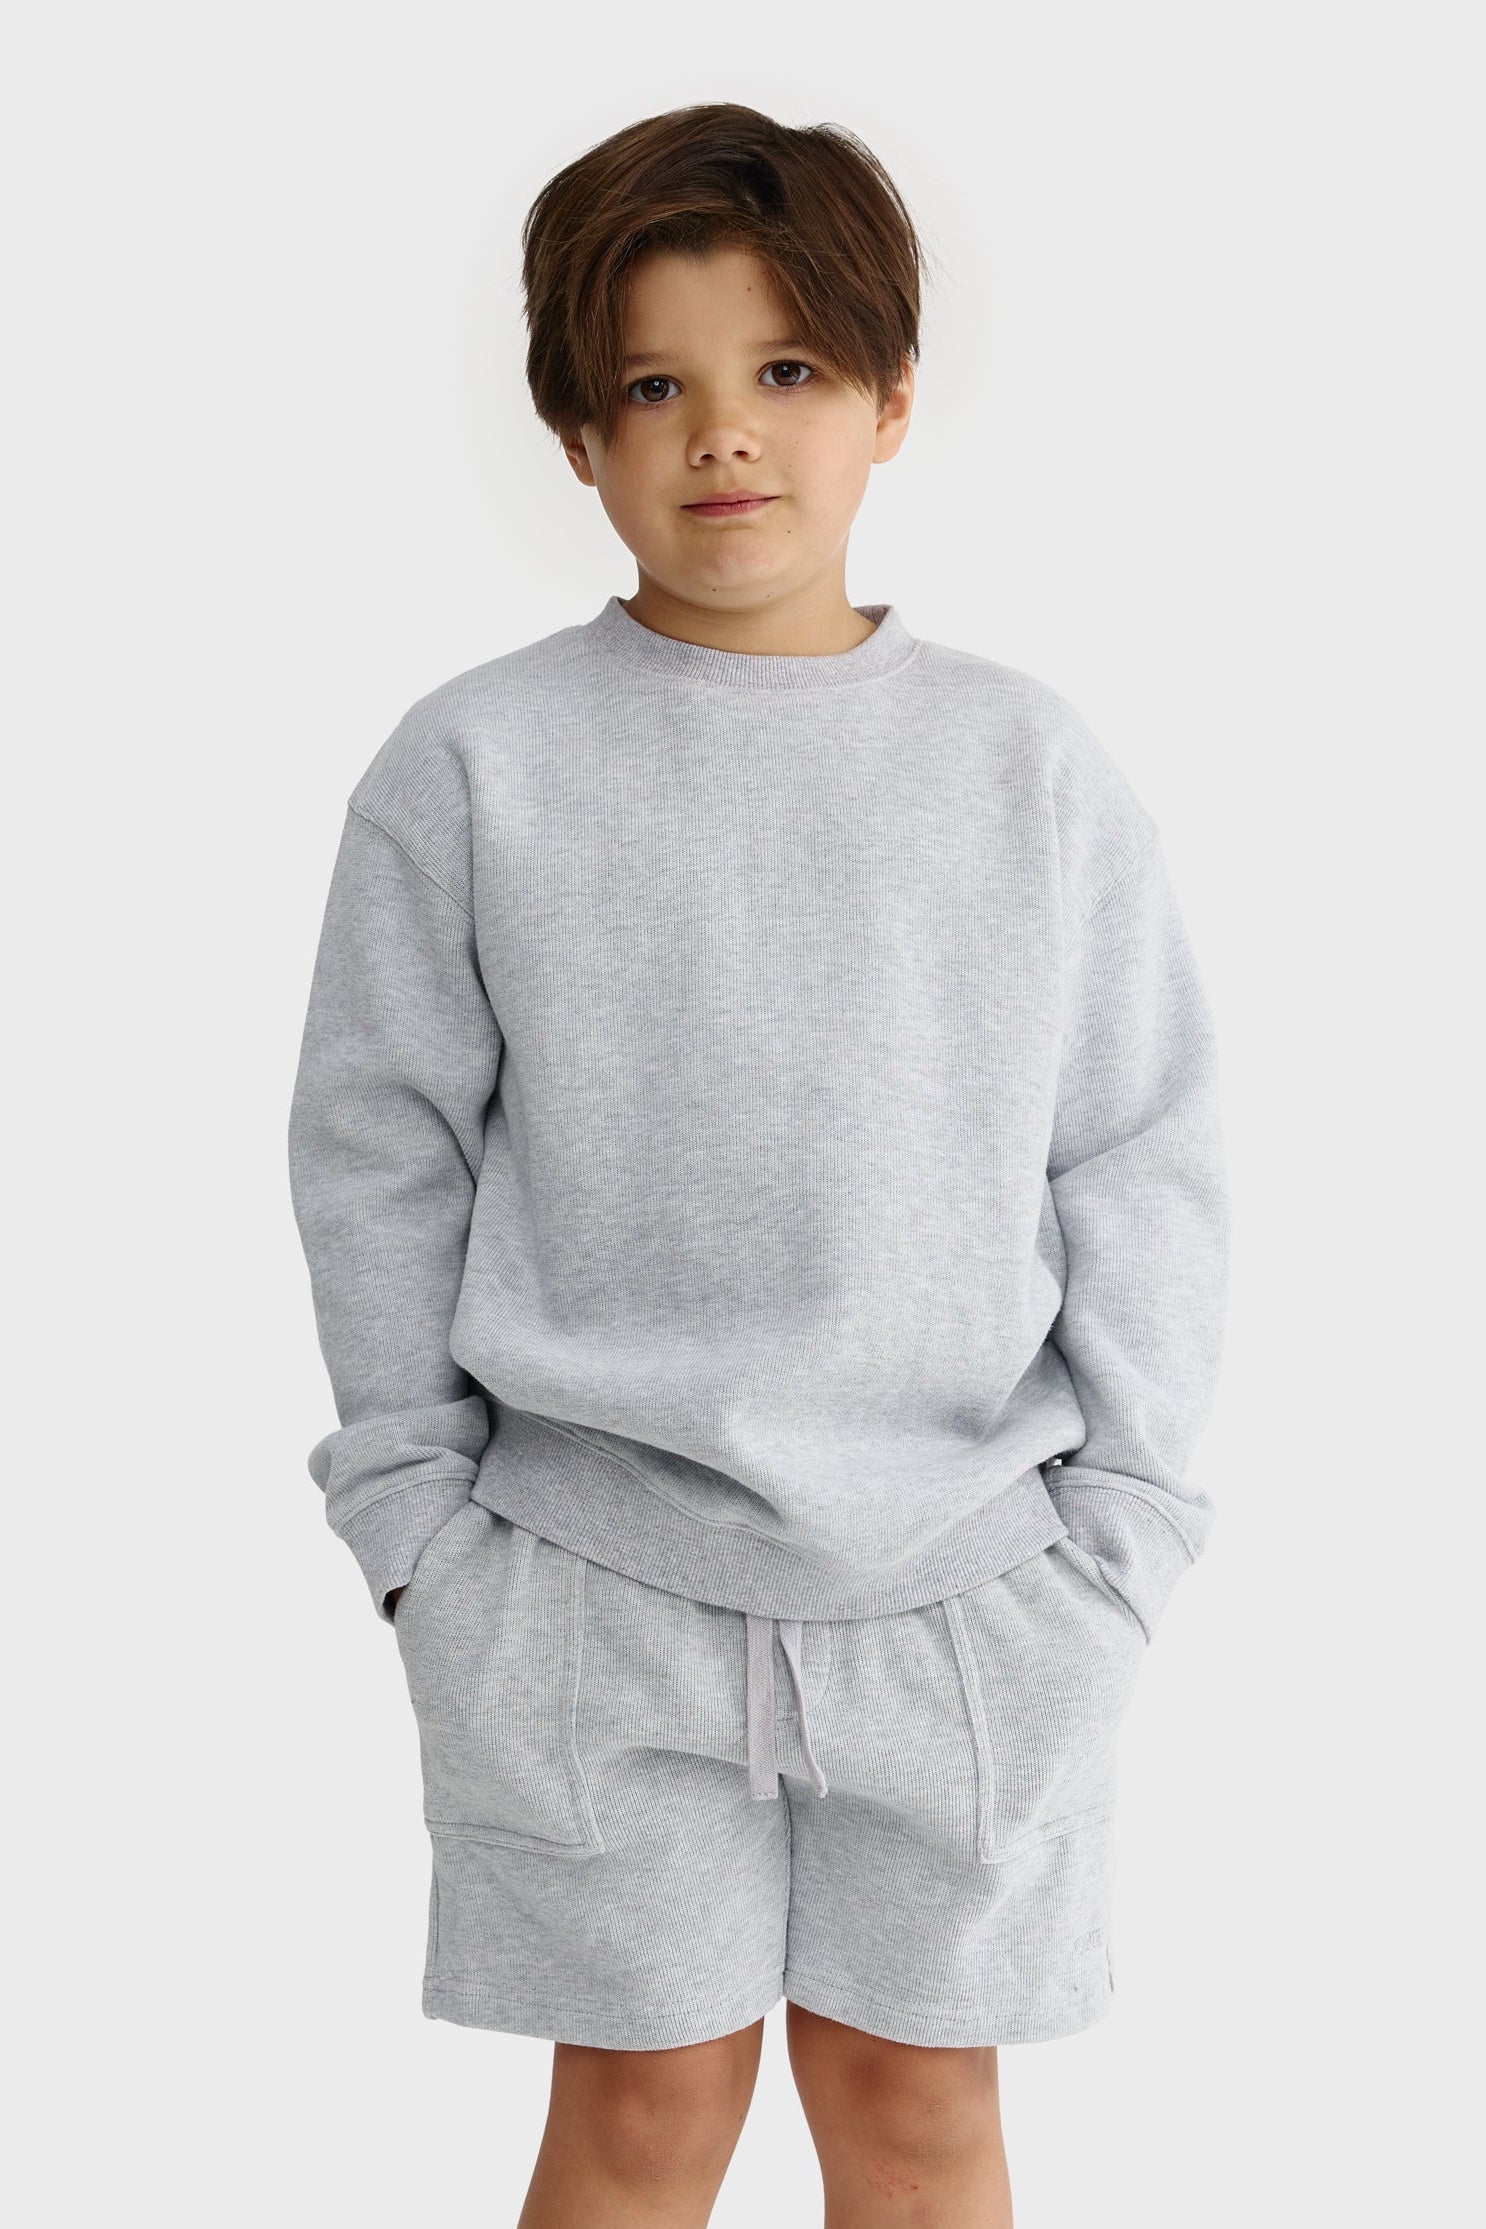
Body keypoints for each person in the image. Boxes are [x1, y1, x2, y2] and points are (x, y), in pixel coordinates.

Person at [286, 100, 1231, 2229]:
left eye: (786, 367)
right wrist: (418, 1528)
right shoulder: (474, 763)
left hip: (969, 1583)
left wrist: (1124, 1537)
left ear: (888, 399)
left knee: (917, 2107)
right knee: (640, 2117)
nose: (722, 431)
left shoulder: (1024, 765)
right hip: (579, 1581)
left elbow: (1142, 1145)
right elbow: (376, 1146)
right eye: (653, 386)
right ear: (577, 437)